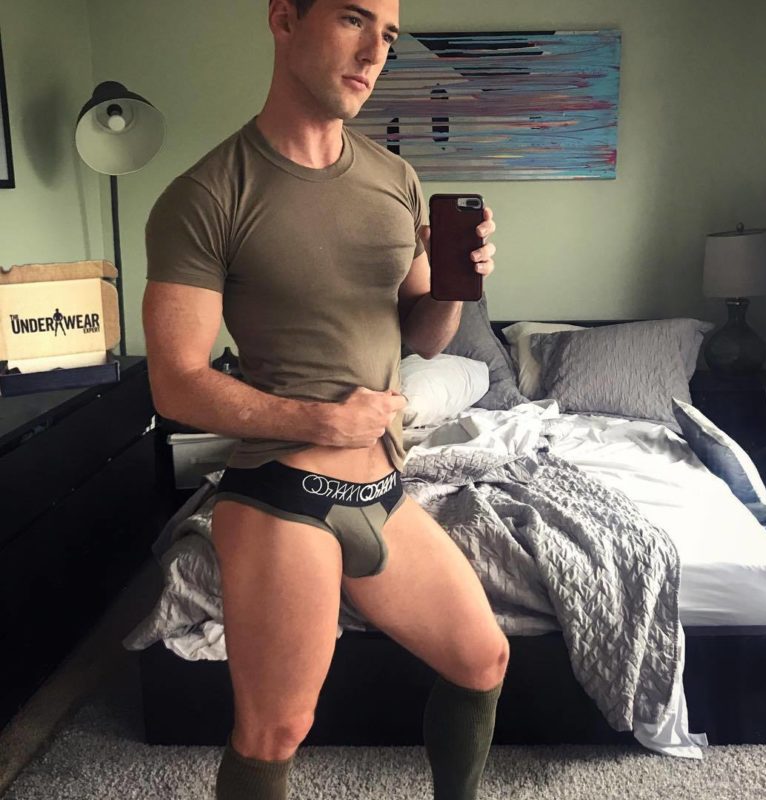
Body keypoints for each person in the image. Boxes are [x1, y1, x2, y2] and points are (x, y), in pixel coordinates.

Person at [142, 1, 509, 798]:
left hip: (384, 491)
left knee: (482, 658)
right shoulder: (206, 194)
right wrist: (321, 419)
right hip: (282, 495)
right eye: (352, 19)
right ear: (284, 20)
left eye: (388, 35)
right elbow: (175, 380)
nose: (375, 51)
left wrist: (457, 285)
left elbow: (425, 337)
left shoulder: (396, 179)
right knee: (275, 730)